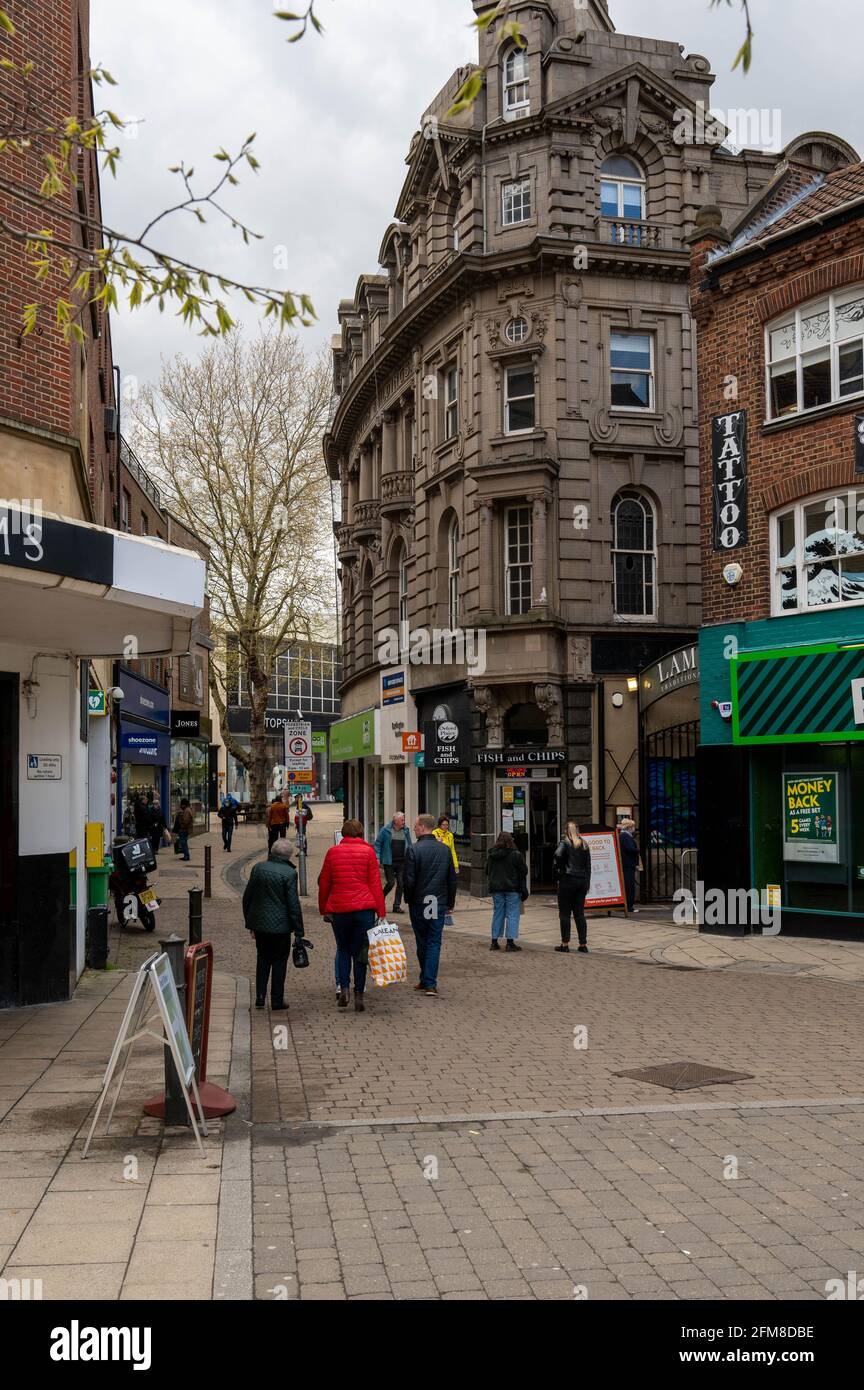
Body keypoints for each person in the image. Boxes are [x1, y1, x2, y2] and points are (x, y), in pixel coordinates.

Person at [318, 819, 385, 1013]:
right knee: (360, 952)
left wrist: (324, 909)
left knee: (343, 949)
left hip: (340, 909)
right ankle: (359, 995)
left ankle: (344, 989)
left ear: (344, 834)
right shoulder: (368, 852)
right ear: (361, 833)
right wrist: (381, 911)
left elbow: (325, 883)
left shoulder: (333, 852)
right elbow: (375, 884)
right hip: (364, 909)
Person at [243, 839, 304, 1011]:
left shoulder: (258, 868)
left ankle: (260, 996)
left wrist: (250, 922)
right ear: (288, 856)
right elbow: (293, 904)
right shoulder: (289, 873)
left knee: (262, 958)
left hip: (260, 924)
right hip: (281, 926)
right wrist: (299, 930)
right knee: (279, 961)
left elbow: (248, 897)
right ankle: (277, 999)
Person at [403, 813, 456, 998]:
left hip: (419, 902)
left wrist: (408, 900)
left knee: (422, 940)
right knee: (434, 941)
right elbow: (451, 879)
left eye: (416, 826)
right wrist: (450, 902)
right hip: (438, 901)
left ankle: (428, 980)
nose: (414, 829)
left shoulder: (413, 850)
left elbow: (408, 881)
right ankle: (428, 981)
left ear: (423, 827)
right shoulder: (444, 850)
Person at [486, 831, 528, 952]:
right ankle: (510, 943)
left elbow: (487, 871)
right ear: (510, 841)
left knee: (498, 913)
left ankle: (494, 942)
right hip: (512, 889)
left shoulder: (492, 855)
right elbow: (524, 870)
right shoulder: (516, 854)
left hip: (496, 889)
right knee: (512, 914)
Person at [553, 822, 592, 953]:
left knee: (564, 913)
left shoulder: (564, 842)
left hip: (568, 880)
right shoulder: (584, 844)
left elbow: (557, 855)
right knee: (579, 914)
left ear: (566, 831)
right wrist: (587, 882)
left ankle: (565, 943)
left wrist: (560, 870)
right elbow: (588, 866)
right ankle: (583, 944)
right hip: (582, 881)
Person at [373, 812, 412, 915]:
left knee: (401, 883)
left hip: (401, 862)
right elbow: (378, 844)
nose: (404, 822)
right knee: (391, 883)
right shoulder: (385, 830)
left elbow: (410, 844)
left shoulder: (406, 831)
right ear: (396, 821)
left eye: (404, 820)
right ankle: (379, 900)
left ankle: (396, 906)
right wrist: (377, 857)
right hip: (389, 862)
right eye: (402, 820)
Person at [618, 818, 641, 914]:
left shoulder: (623, 836)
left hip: (626, 864)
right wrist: (638, 850)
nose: (634, 829)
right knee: (629, 886)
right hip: (627, 865)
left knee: (627, 885)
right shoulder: (625, 836)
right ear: (629, 827)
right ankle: (629, 906)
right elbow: (630, 849)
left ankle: (626, 905)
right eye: (633, 827)